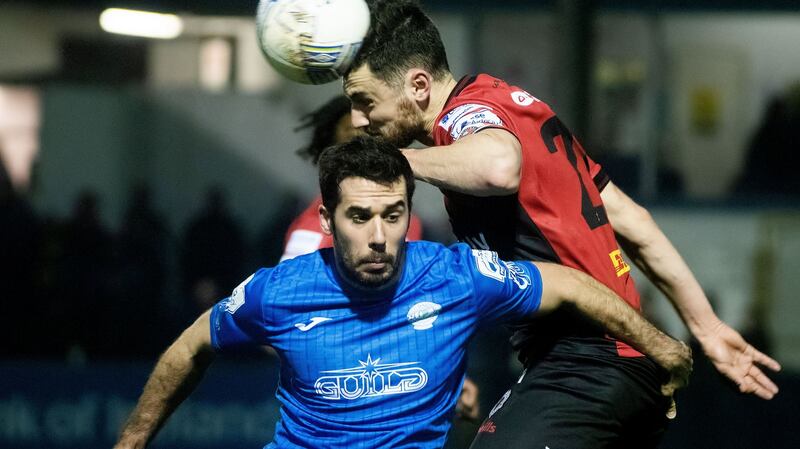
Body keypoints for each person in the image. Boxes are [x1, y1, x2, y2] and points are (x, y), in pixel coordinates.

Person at [342, 1, 780, 447]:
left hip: (586, 363)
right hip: (620, 365)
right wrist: (706, 328)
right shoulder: (516, 106)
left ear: (418, 85)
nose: (358, 119)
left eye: (365, 101)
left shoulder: (464, 119)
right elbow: (634, 221)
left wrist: (390, 162)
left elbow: (497, 166)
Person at [114, 137, 690, 449]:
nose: (379, 236)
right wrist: (133, 441)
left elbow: (566, 283)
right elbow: (191, 346)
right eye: (359, 216)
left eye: (394, 215)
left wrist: (660, 345)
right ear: (327, 218)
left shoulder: (455, 276)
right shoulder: (278, 292)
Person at [281, 95, 423, 262]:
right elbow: (293, 284)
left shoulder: (410, 220)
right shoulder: (315, 229)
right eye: (354, 140)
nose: (365, 149)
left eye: (372, 136)